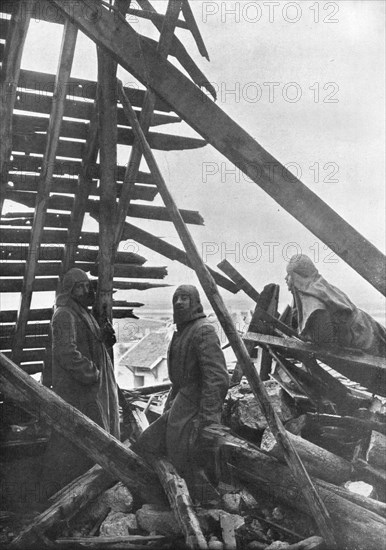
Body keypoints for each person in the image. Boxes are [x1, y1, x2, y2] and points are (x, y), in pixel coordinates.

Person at [134, 285, 229, 497]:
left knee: (185, 450)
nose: (179, 302)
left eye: (185, 298)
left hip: (195, 403)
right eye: (176, 298)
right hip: (181, 399)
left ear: (195, 302)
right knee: (150, 441)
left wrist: (208, 417)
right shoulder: (183, 330)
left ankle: (206, 501)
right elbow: (178, 378)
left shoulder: (203, 330)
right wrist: (171, 403)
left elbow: (217, 377)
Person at [41, 268, 120, 497]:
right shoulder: (64, 314)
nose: (85, 290)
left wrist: (104, 338)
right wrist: (92, 373)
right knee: (74, 441)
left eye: (86, 285)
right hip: (76, 389)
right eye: (79, 286)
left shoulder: (83, 312)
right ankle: (61, 494)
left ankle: (87, 492)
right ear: (69, 289)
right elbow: (66, 352)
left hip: (88, 388)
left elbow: (90, 343)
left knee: (87, 437)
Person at [285, 254, 386, 355]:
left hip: (365, 339)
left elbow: (324, 342)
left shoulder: (314, 304)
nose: (286, 278)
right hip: (368, 328)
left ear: (297, 277)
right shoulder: (321, 286)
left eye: (289, 275)